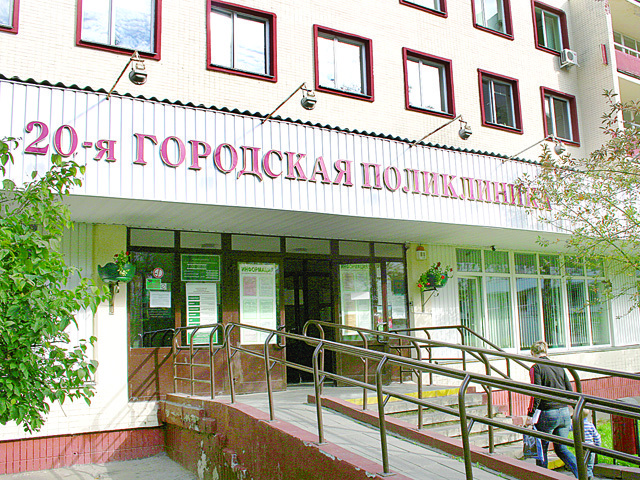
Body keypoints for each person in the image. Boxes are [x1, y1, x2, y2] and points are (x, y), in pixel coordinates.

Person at [527, 340, 579, 477]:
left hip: (547, 413)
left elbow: (536, 393)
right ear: (546, 351)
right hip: (564, 412)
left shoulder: (536, 368)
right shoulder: (558, 366)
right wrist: (574, 408)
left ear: (532, 353)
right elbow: (569, 389)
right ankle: (583, 473)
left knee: (542, 449)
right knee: (561, 448)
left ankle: (542, 477)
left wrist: (530, 414)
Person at [579, 410, 601, 480]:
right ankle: (590, 476)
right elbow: (597, 436)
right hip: (591, 447)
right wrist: (597, 445)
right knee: (590, 464)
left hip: (581, 447)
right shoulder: (590, 425)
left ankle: (585, 476)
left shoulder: (577, 425)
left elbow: (569, 428)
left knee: (582, 463)